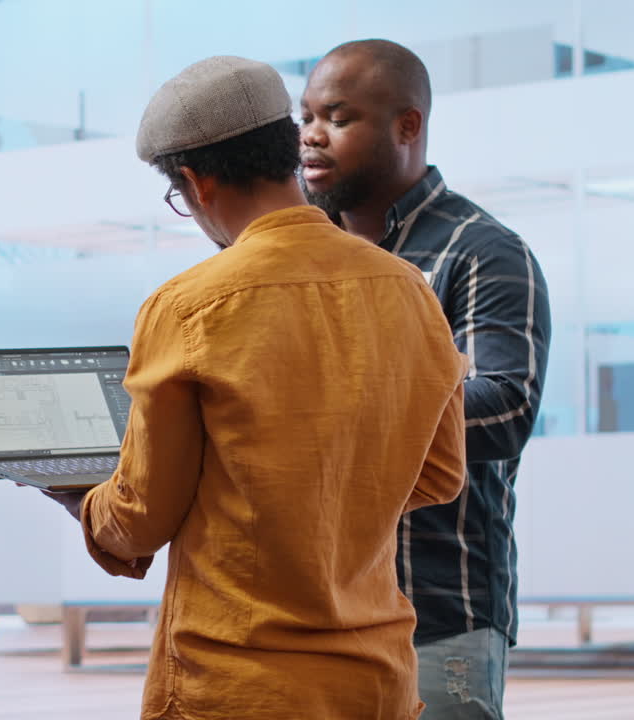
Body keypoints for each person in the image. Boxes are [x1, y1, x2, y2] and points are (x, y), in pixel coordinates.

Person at [46, 56, 469, 719]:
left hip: (238, 683)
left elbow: (143, 515)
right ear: (287, 152)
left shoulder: (188, 306)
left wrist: (87, 504)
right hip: (377, 681)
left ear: (195, 181)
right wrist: (328, 498)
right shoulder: (406, 289)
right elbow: (440, 475)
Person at [300, 40, 552, 719]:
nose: (311, 136)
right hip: (312, 615)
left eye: (338, 117)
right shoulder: (297, 254)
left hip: (435, 617)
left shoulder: (481, 250)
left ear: (407, 126)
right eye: (305, 117)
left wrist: (336, 407)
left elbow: (505, 408)